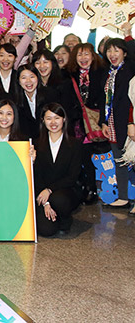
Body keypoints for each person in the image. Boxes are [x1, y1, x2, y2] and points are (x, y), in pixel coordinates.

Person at [66, 42, 106, 204]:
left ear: (93, 56)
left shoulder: (101, 73)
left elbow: (104, 98)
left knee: (91, 156)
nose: (83, 58)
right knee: (81, 157)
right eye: (79, 55)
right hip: (77, 124)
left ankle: (93, 189)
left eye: (86, 54)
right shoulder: (70, 74)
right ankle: (85, 187)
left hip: (94, 120)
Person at [34, 103, 82, 237]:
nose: (53, 122)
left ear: (64, 119)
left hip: (66, 191)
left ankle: (65, 219)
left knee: (59, 199)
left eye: (57, 118)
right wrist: (46, 203)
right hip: (42, 194)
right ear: (43, 121)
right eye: (49, 118)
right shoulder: (36, 144)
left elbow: (72, 177)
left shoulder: (75, 144)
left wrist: (49, 190)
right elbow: (36, 175)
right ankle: (53, 214)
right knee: (46, 230)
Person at [100, 38, 135, 208]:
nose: (112, 54)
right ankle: (123, 197)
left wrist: (128, 35)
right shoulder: (109, 73)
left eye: (116, 50)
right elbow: (105, 99)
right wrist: (104, 122)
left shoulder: (129, 70)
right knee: (119, 160)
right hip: (112, 123)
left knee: (133, 161)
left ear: (125, 53)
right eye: (109, 50)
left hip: (128, 123)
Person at [16, 64, 58, 140]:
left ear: (37, 78)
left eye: (32, 77)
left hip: (49, 139)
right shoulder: (16, 100)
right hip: (27, 142)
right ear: (19, 81)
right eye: (24, 78)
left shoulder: (50, 95)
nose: (28, 81)